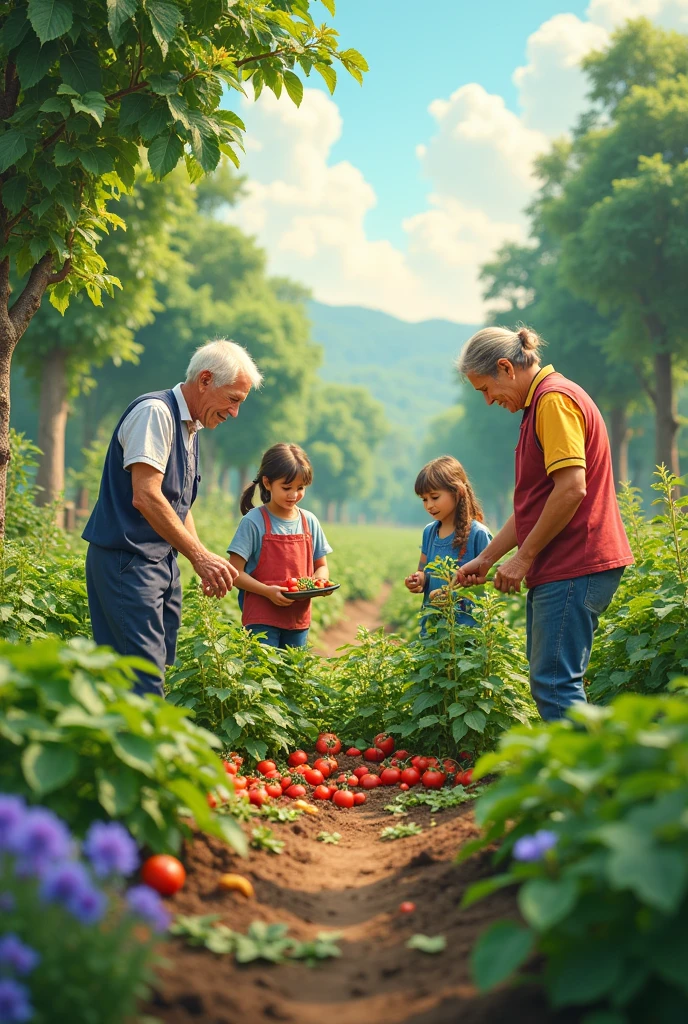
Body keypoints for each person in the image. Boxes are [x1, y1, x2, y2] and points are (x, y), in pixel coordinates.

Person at [454, 325, 633, 721]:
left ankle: (582, 782)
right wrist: (487, 558)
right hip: (568, 565)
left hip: (575, 561)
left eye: (485, 388)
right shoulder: (540, 403)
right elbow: (536, 505)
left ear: (506, 367)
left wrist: (523, 558)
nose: (487, 401)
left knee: (555, 685)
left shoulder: (553, 401)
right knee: (552, 682)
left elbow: (571, 489)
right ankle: (582, 775)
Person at [83, 339, 263, 697]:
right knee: (142, 679)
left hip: (159, 564)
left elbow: (179, 505)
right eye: (233, 399)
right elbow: (146, 496)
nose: (234, 412)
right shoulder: (156, 413)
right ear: (205, 380)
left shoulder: (189, 427)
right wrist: (199, 556)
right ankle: (142, 751)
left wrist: (200, 558)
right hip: (127, 562)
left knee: (155, 668)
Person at [228, 443, 332, 649]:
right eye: (286, 488)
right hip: (260, 619)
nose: (293, 494)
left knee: (294, 675)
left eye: (300, 488)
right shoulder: (253, 521)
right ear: (267, 482)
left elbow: (321, 565)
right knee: (264, 676)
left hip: (298, 618)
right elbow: (235, 573)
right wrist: (267, 591)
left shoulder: (309, 521)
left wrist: (319, 582)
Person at [404, 456, 491, 634]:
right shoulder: (429, 532)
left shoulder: (478, 534)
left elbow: (490, 584)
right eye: (424, 499)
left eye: (435, 497)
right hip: (434, 630)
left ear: (457, 491)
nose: (429, 505)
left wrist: (472, 584)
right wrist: (418, 580)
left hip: (467, 632)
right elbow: (423, 571)